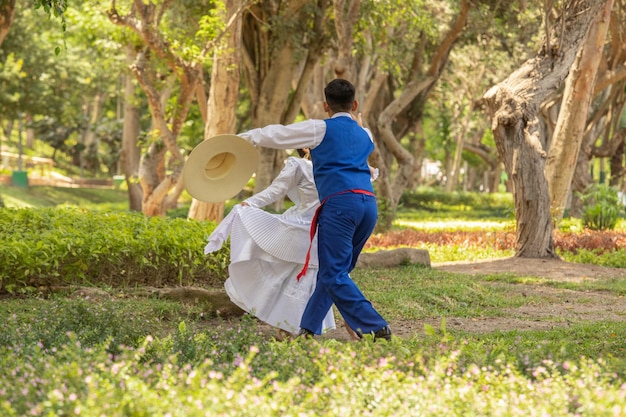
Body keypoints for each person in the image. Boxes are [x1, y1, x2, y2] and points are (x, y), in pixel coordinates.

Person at [238, 78, 392, 341]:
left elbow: (278, 134)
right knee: (335, 272)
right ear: (355, 104)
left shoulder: (319, 129)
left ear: (325, 105)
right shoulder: (364, 134)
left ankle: (375, 325)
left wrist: (245, 138)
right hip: (368, 206)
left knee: (333, 273)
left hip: (341, 205)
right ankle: (307, 328)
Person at [204, 149, 336, 335]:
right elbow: (276, 190)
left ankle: (300, 328)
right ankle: (288, 327)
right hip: (299, 228)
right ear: (306, 148)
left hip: (324, 229)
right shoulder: (299, 166)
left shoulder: (335, 166)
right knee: (289, 276)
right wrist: (250, 204)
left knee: (309, 278)